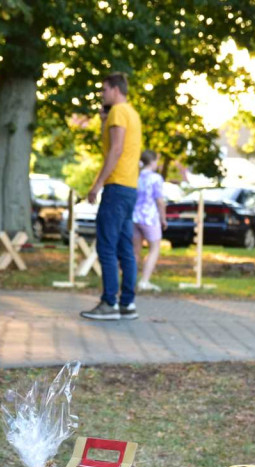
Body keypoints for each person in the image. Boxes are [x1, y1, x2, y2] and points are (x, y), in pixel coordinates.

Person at [82, 72, 142, 321]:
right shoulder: (131, 113)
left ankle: (109, 303)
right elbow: (113, 144)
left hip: (116, 187)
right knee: (125, 248)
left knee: (106, 247)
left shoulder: (118, 111)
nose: (101, 94)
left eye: (104, 90)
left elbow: (115, 150)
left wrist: (97, 184)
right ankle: (127, 304)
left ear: (116, 90)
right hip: (130, 187)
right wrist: (102, 121)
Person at [132, 150, 166, 291]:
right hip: (150, 218)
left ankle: (130, 281)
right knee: (154, 248)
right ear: (152, 162)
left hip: (134, 216)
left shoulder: (135, 177)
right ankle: (144, 281)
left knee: (135, 251)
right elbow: (159, 201)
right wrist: (163, 218)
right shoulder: (155, 178)